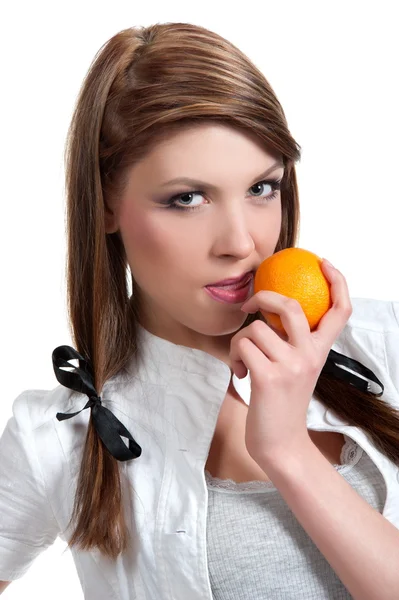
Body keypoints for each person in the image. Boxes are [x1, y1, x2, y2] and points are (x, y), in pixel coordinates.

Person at [1, 21, 399, 600]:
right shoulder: (61, 438)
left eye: (262, 188)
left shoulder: (382, 342)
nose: (241, 242)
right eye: (187, 198)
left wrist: (288, 449)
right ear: (107, 203)